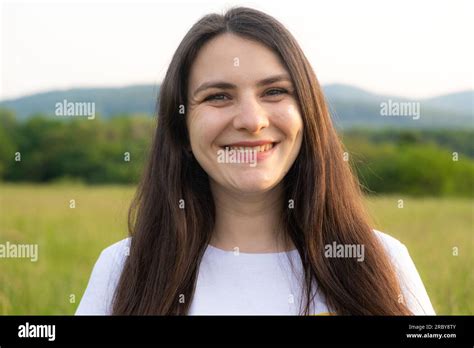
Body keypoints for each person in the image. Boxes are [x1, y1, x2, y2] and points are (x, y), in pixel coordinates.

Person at [76, 7, 435, 315]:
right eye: (218, 96)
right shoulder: (123, 267)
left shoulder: (381, 259)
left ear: (308, 114)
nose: (252, 120)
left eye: (275, 92)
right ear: (181, 127)